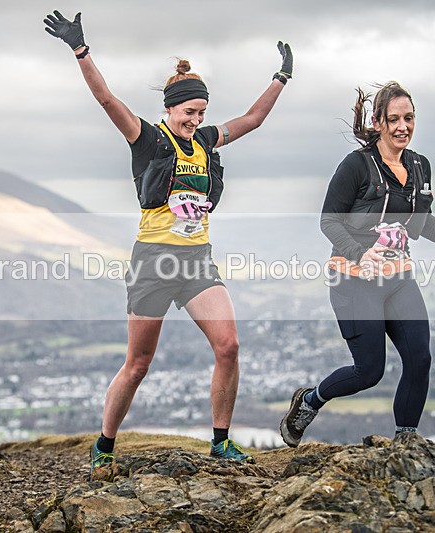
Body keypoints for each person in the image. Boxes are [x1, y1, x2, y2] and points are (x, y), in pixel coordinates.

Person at [44, 10, 292, 471]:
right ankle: (104, 446)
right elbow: (106, 99)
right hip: (154, 262)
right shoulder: (148, 138)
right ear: (170, 109)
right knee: (138, 364)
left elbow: (253, 119)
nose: (195, 120)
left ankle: (220, 442)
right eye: (188, 112)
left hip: (196, 262)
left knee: (229, 346)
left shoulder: (206, 142)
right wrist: (80, 50)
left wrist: (281, 77)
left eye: (201, 113)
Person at [280, 82, 435, 447]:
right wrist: (358, 253)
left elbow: (418, 222)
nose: (403, 126)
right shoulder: (356, 165)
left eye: (409, 118)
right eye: (394, 119)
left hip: (399, 280)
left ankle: (406, 442)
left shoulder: (419, 166)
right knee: (369, 371)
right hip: (353, 281)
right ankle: (309, 401)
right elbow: (329, 221)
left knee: (420, 359)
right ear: (378, 122)